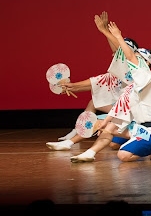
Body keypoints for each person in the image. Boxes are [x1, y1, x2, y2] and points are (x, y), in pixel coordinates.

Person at [70, 21, 151, 162]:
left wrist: (118, 36)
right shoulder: (131, 85)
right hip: (138, 127)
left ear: (147, 64)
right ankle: (90, 153)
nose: (132, 61)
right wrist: (105, 122)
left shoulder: (149, 77)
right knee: (107, 127)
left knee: (123, 155)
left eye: (139, 58)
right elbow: (119, 107)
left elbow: (129, 56)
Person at [46, 12, 133, 150]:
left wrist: (105, 31)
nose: (115, 52)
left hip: (134, 113)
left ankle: (74, 140)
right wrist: (70, 87)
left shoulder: (134, 68)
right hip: (121, 110)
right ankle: (76, 133)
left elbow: (121, 50)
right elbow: (93, 83)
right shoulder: (115, 73)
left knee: (112, 142)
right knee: (98, 114)